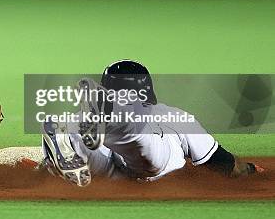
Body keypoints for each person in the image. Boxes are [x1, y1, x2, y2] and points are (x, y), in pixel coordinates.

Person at [42, 60, 263, 186]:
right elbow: (222, 164)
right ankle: (117, 117)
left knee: (85, 142)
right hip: (150, 167)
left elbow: (47, 171)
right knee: (143, 146)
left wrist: (46, 168)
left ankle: (68, 134)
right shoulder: (172, 116)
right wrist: (250, 169)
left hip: (106, 168)